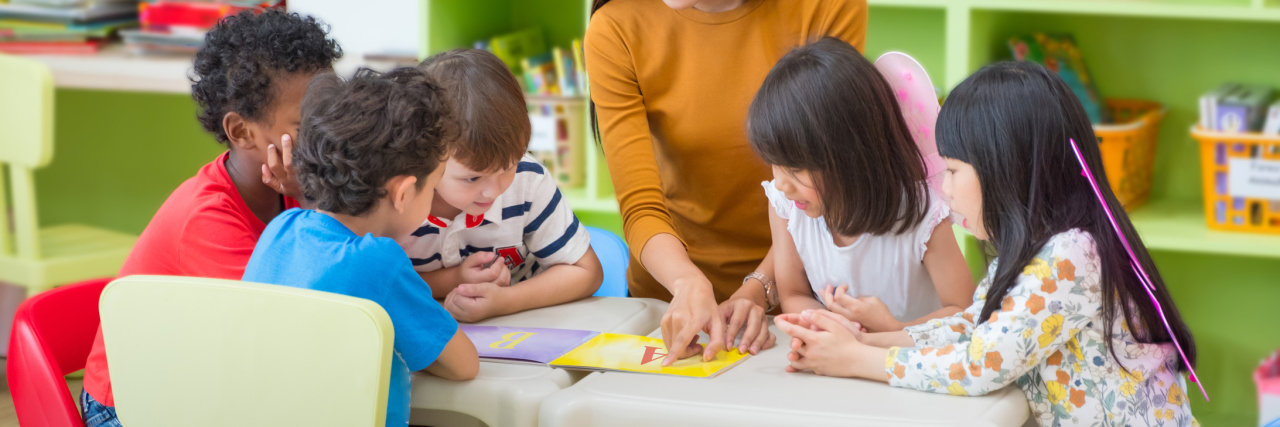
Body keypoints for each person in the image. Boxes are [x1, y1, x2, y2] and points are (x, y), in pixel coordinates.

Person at [775, 61, 1199, 426]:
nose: (945, 189)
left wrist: (855, 360)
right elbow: (973, 328)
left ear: (1007, 169)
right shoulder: (1035, 251)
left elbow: (982, 365)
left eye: (953, 171)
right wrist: (862, 342)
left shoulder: (1072, 254)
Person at [79, 10, 341, 426]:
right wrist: (312, 198)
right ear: (241, 132)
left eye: (333, 113)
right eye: (306, 123)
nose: (329, 134)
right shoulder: (208, 218)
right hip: (128, 402)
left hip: (204, 379)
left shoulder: (290, 189)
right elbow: (287, 326)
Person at [585, 0, 867, 364]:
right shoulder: (617, 24)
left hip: (803, 299)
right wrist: (686, 282)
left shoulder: (826, 5)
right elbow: (641, 206)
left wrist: (759, 288)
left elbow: (830, 175)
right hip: (670, 306)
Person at [243, 68, 479, 427]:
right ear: (403, 193)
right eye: (432, 188)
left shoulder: (281, 229)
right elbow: (464, 365)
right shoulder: (377, 262)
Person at [747, 37, 975, 333]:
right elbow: (794, 294)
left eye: (795, 168)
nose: (780, 184)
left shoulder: (921, 215)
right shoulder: (787, 208)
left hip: (908, 358)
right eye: (774, 163)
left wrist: (889, 330)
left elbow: (964, 313)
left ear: (851, 155)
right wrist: (838, 328)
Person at [401, 49, 603, 323]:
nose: (493, 191)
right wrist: (452, 279)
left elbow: (586, 271)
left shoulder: (528, 179)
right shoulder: (398, 198)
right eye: (472, 178)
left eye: (508, 168)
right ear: (425, 156)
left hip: (523, 329)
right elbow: (374, 282)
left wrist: (505, 301)